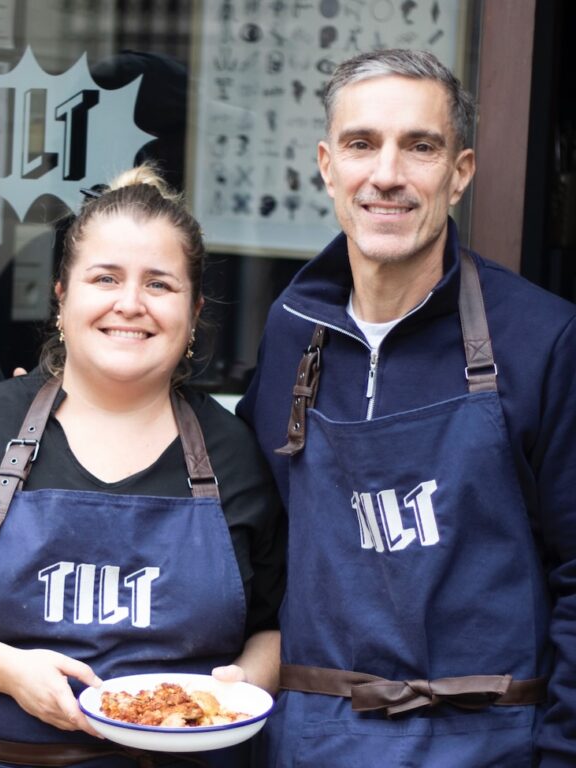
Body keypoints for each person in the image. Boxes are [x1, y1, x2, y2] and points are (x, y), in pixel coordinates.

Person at [0, 166, 286, 767]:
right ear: (61, 295)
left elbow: (278, 625)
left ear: (195, 309)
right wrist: (7, 671)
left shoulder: (235, 453)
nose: (130, 304)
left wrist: (241, 688)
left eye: (160, 285)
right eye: (105, 278)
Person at [236, 49, 576, 766]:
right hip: (312, 743)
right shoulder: (294, 328)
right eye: (362, 144)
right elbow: (251, 535)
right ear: (327, 166)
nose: (387, 174)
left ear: (460, 173)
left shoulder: (542, 337)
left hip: (489, 745)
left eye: (419, 147)